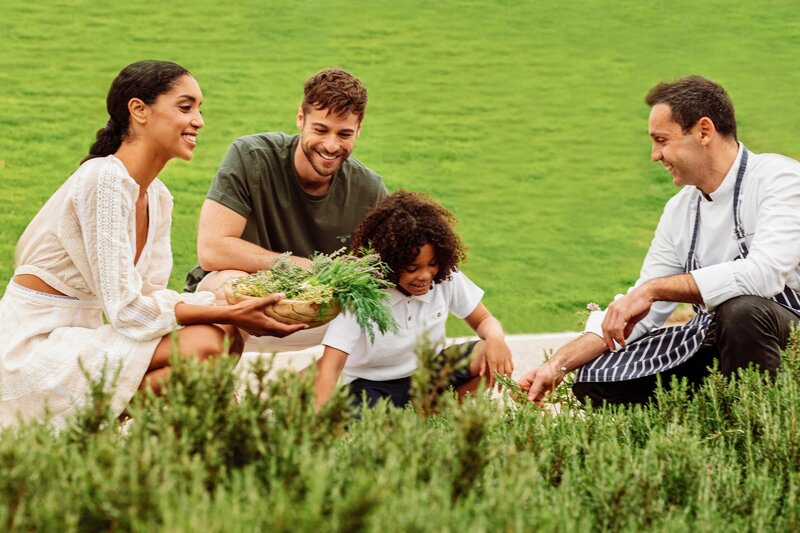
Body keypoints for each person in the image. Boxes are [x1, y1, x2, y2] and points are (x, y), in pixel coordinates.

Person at [0, 60, 304, 429]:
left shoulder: (157, 197)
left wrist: (226, 307)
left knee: (222, 338)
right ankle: (227, 437)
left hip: (79, 337)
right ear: (139, 110)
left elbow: (149, 296)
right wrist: (223, 310)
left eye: (199, 109)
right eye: (186, 107)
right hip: (31, 349)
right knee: (209, 341)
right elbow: (128, 313)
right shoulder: (104, 179)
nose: (199, 121)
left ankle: (211, 440)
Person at [519, 75, 800, 406]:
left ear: (704, 131)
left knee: (742, 312)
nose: (655, 155)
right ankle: (701, 426)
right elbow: (641, 313)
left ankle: (761, 425)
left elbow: (763, 275)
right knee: (595, 377)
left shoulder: (780, 180)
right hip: (715, 343)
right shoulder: (680, 209)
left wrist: (654, 290)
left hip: (786, 341)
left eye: (662, 140)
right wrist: (558, 364)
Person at [184, 67, 387, 352]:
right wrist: (310, 268)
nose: (331, 146)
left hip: (318, 310)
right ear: (301, 118)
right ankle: (217, 380)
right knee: (232, 287)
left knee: (386, 305)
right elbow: (212, 249)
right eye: (320, 130)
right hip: (242, 303)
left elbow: (388, 269)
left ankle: (323, 380)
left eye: (344, 134)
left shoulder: (369, 188)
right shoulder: (251, 157)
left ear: (359, 130)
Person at [313, 191, 514, 409]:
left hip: (428, 373)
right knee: (363, 426)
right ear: (389, 262)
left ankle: (437, 415)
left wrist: (495, 338)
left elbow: (483, 319)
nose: (425, 275)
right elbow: (330, 367)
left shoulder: (445, 278)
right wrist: (322, 418)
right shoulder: (362, 295)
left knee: (487, 352)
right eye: (411, 268)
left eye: (433, 264)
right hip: (372, 387)